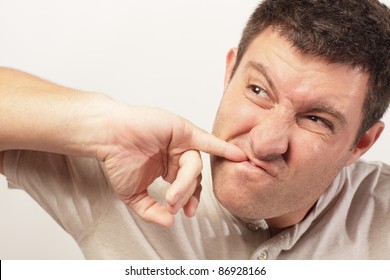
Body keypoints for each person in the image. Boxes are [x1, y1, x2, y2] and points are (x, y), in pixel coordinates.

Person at [1, 0, 390, 259]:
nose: (265, 141)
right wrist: (105, 124)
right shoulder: (134, 169)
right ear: (229, 72)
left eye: (316, 120)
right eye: (258, 90)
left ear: (361, 143)